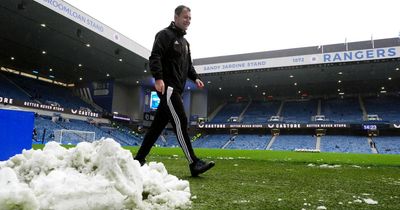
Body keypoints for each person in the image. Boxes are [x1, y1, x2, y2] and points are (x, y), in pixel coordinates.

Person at [134, 5, 214, 177]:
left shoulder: (186, 43)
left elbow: (188, 66)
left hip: (178, 88)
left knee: (156, 127)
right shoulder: (164, 35)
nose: (188, 21)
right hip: (168, 87)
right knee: (181, 121)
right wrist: (158, 77)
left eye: (190, 18)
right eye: (185, 17)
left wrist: (196, 77)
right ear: (176, 17)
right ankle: (194, 162)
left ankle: (138, 160)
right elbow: (155, 56)